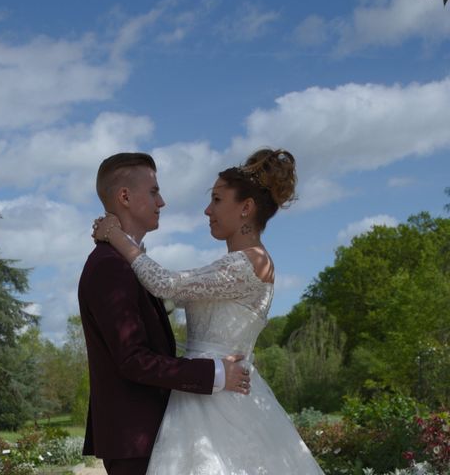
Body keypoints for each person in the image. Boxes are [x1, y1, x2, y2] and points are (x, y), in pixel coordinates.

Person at [92, 148, 324, 474]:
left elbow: (167, 285)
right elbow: (171, 297)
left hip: (222, 400)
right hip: (199, 394)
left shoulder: (251, 263)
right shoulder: (230, 265)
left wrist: (115, 234)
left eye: (216, 200)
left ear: (246, 208)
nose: (206, 210)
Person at [78, 152, 252, 475]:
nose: (163, 202)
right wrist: (214, 374)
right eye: (154, 191)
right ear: (125, 197)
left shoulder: (126, 263)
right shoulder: (108, 268)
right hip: (136, 441)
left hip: (153, 435)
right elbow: (133, 359)